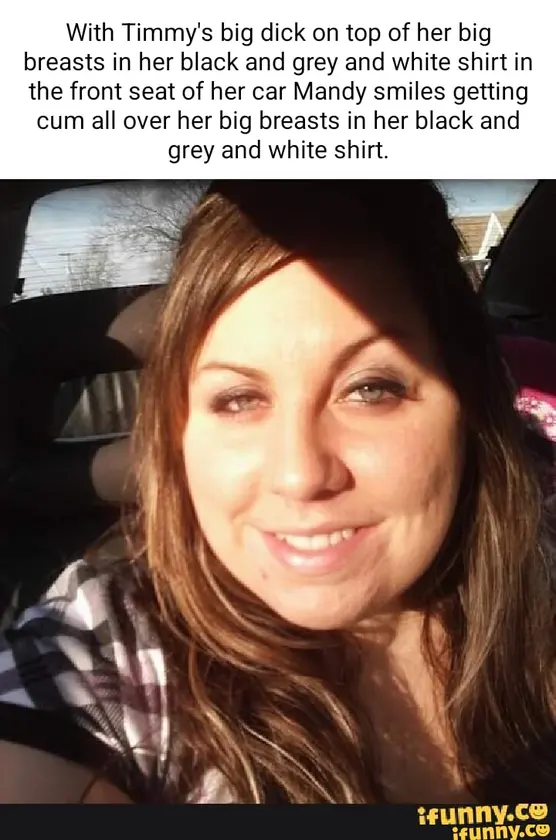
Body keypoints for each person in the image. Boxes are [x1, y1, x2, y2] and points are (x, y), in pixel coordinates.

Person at [0, 180, 555, 804]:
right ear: (177, 434)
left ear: (469, 408)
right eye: (238, 399)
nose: (300, 474)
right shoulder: (102, 650)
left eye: (370, 389)